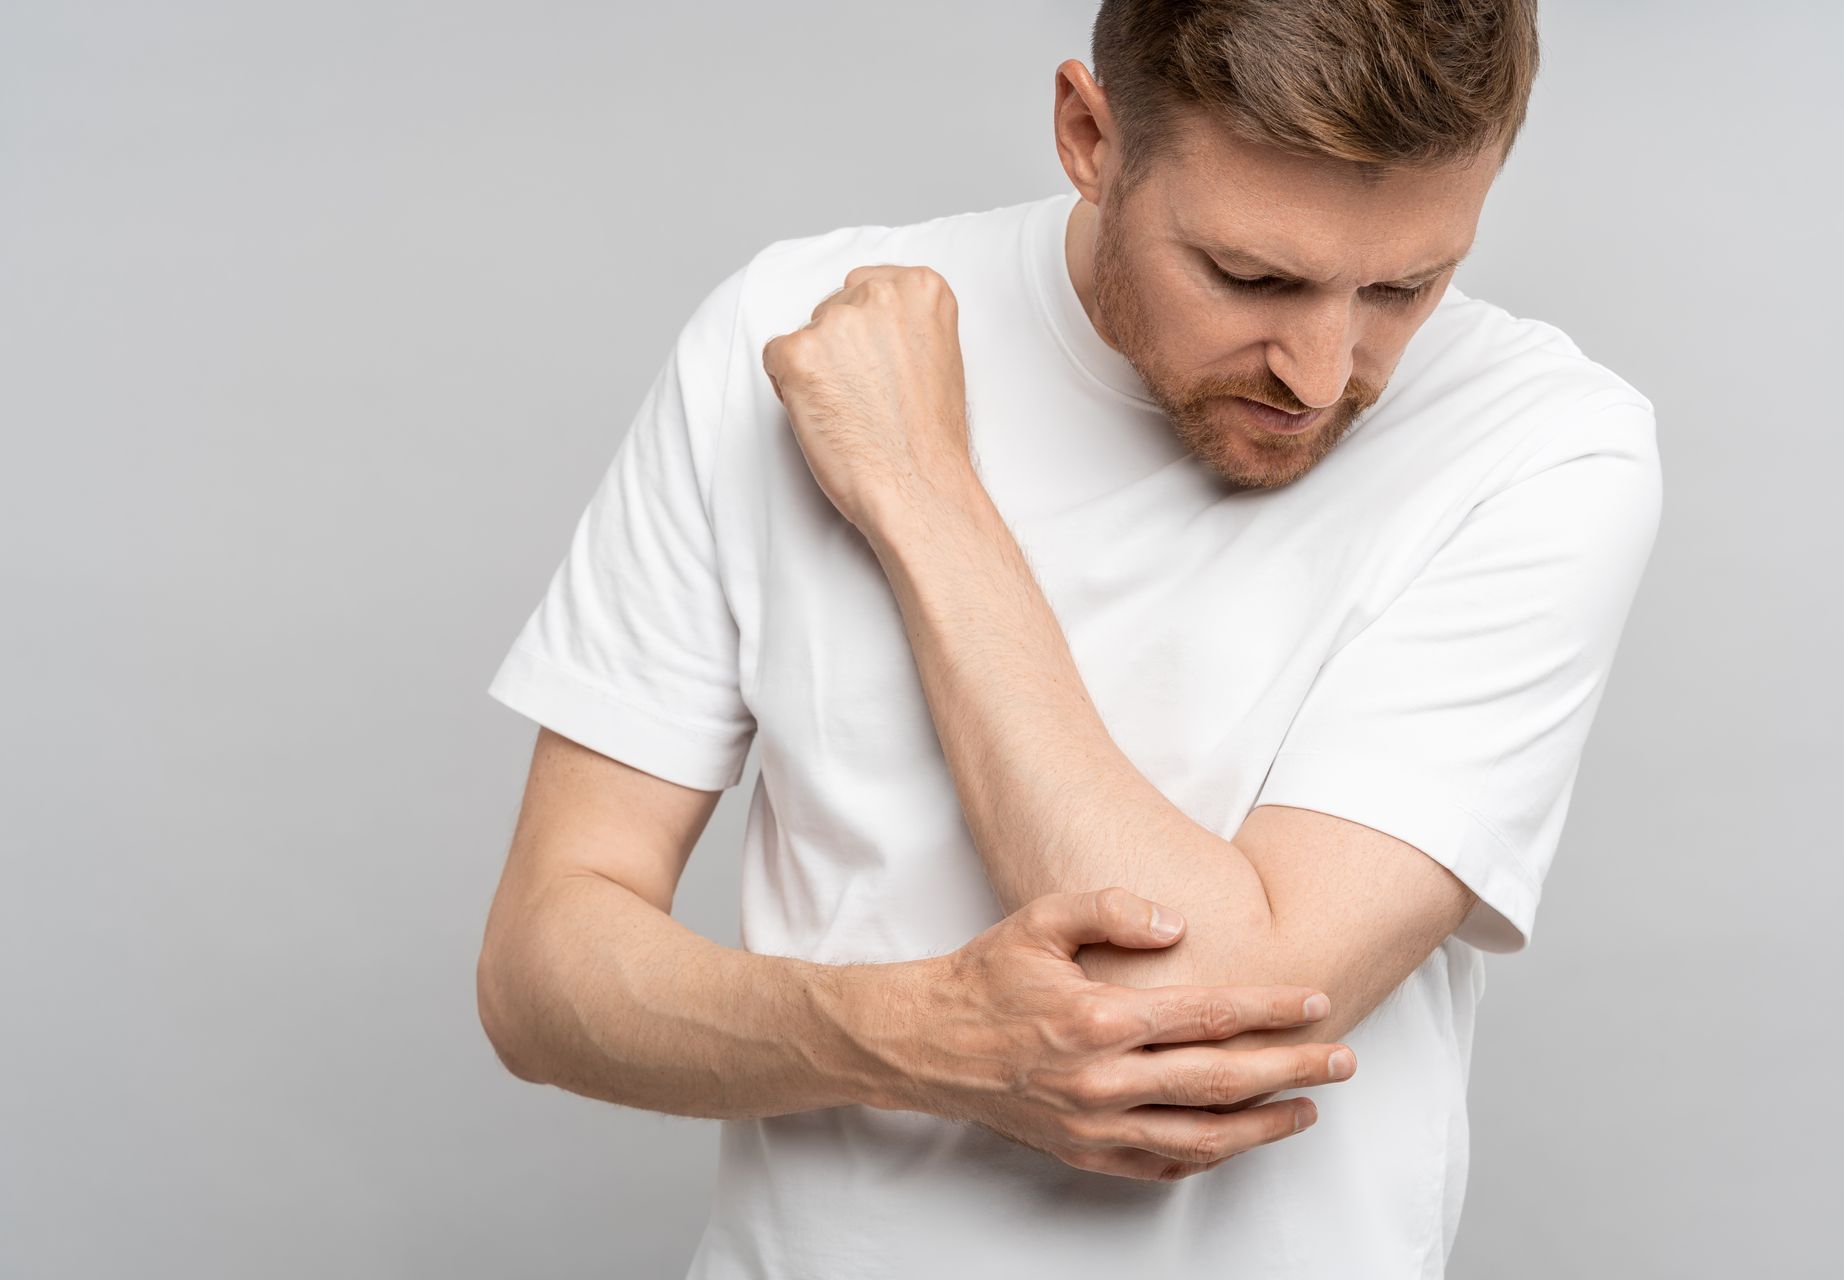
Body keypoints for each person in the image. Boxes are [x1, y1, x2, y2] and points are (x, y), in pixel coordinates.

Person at [476, 1, 1661, 1275]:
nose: (1321, 373)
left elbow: (1189, 1025)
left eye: (1405, 286)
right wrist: (917, 1034)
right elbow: (543, 965)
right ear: (1089, 135)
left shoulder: (1543, 448)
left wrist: (922, 490)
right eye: (1251, 278)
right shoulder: (794, 334)